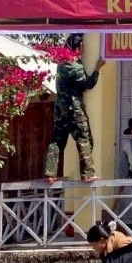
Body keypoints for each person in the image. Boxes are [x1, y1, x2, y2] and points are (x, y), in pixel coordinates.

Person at [44, 33, 103, 182]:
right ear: (79, 47)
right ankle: (87, 173)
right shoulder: (75, 66)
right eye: (82, 45)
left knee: (57, 141)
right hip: (74, 109)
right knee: (84, 139)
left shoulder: (61, 64)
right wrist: (97, 69)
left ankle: (50, 173)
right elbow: (88, 84)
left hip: (60, 109)